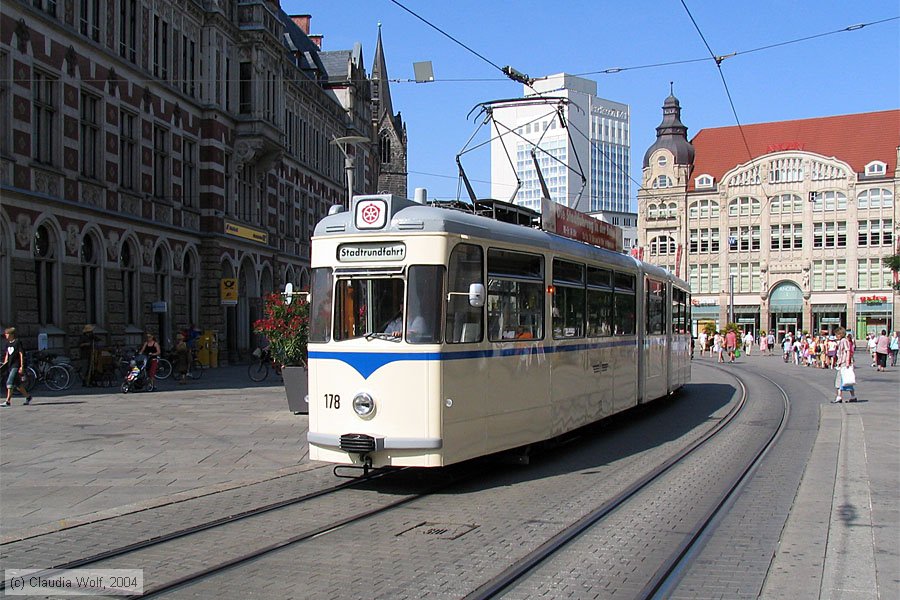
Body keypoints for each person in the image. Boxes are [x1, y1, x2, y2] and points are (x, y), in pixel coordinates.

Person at [2, 327, 32, 406]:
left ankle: (8, 401)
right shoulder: (8, 343)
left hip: (16, 365)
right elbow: (7, 354)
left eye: (7, 334)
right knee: (18, 384)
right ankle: (28, 397)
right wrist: (5, 363)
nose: (5, 335)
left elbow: (21, 354)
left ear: (11, 334)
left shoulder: (17, 342)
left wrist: (21, 366)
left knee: (10, 381)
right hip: (10, 365)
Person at [832, 327, 857, 403]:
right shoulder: (844, 340)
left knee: (839, 380)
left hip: (843, 363)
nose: (836, 336)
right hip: (844, 362)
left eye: (836, 334)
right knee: (847, 380)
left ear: (840, 334)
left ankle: (839, 396)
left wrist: (846, 362)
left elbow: (847, 351)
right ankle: (852, 396)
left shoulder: (843, 341)